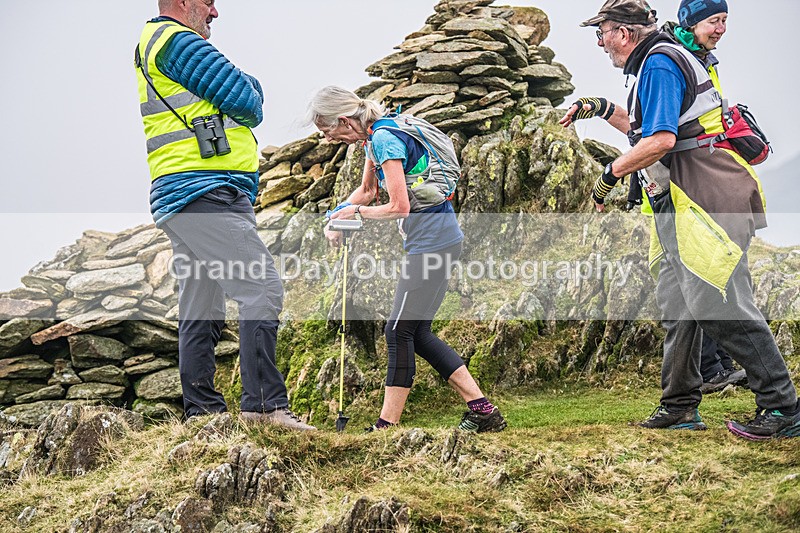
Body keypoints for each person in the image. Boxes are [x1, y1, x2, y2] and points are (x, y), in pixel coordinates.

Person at [560, 0, 800, 440]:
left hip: (704, 196)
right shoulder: (655, 61)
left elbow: (661, 140)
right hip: (678, 202)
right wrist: (600, 107)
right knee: (679, 308)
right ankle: (679, 405)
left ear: (626, 33)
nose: (599, 41)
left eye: (603, 31)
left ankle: (783, 408)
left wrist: (609, 175)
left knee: (720, 304)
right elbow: (648, 127)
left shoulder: (660, 64)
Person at [135, 0, 314, 430]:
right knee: (262, 289)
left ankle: (203, 416)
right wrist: (249, 84)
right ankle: (265, 409)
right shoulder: (176, 41)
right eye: (207, 2)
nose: (214, 12)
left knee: (202, 306)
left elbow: (236, 91)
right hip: (206, 191)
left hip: (183, 196)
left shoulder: (156, 44)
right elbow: (247, 99)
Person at [308, 86, 506, 433]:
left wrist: (357, 214)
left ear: (343, 120)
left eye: (328, 132)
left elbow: (398, 206)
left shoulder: (383, 139)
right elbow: (368, 192)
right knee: (417, 333)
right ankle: (483, 411)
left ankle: (386, 427)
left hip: (433, 244)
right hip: (436, 240)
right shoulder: (374, 137)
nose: (328, 140)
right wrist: (336, 217)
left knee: (398, 330)